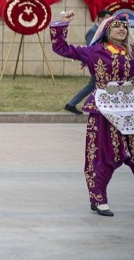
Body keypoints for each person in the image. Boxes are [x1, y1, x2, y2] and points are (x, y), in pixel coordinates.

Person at [50, 11, 134, 217]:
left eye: (124, 26)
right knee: (103, 155)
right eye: (116, 26)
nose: (122, 29)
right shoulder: (94, 51)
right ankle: (98, 198)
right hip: (103, 111)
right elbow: (61, 48)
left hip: (130, 111)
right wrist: (62, 23)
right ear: (106, 31)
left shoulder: (132, 52)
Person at [64, 10, 113, 115]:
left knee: (93, 85)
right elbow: (92, 47)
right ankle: (72, 104)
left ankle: (72, 104)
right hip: (97, 64)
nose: (109, 21)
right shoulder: (93, 31)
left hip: (104, 64)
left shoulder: (105, 31)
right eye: (107, 18)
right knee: (92, 85)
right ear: (100, 18)